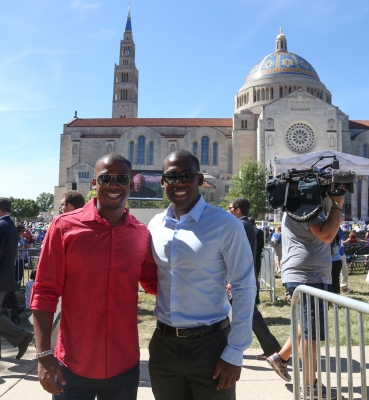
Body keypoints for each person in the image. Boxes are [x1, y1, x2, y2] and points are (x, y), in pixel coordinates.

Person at [30, 153, 157, 399]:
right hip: (73, 366)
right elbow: (44, 292)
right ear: (94, 183)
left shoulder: (141, 234)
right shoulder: (64, 227)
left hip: (125, 367)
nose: (113, 184)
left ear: (131, 184)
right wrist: (44, 356)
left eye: (121, 178)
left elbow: (156, 284)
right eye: (105, 178)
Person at [148, 150, 256, 400]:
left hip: (211, 345)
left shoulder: (225, 224)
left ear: (199, 179)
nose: (179, 183)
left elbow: (244, 286)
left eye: (186, 175)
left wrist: (236, 350)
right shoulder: (155, 225)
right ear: (163, 182)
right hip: (164, 345)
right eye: (171, 177)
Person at [266, 188, 346, 399]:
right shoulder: (305, 206)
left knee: (305, 325)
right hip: (308, 276)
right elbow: (328, 235)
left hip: (305, 274)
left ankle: (281, 358)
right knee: (311, 336)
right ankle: (310, 387)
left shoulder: (294, 206)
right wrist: (337, 204)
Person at [228, 200, 281, 361]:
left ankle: (271, 347)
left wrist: (232, 279)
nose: (227, 211)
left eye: (229, 208)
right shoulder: (246, 225)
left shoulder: (241, 225)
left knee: (246, 314)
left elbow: (239, 254)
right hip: (244, 276)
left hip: (240, 277)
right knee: (250, 314)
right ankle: (271, 347)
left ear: (237, 210)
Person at [0, 198, 33, 360]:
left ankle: (22, 336)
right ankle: (21, 336)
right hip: (6, 278)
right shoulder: (11, 226)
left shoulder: (1, 226)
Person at [249, 218, 264, 304]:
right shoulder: (260, 232)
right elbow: (262, 245)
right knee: (256, 276)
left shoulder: (247, 231)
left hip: (249, 256)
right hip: (257, 257)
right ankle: (257, 298)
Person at [329, 228, 344, 295]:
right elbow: (339, 248)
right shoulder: (337, 238)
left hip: (330, 261)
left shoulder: (328, 239)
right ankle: (337, 296)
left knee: (330, 280)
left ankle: (330, 298)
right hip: (338, 260)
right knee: (336, 280)